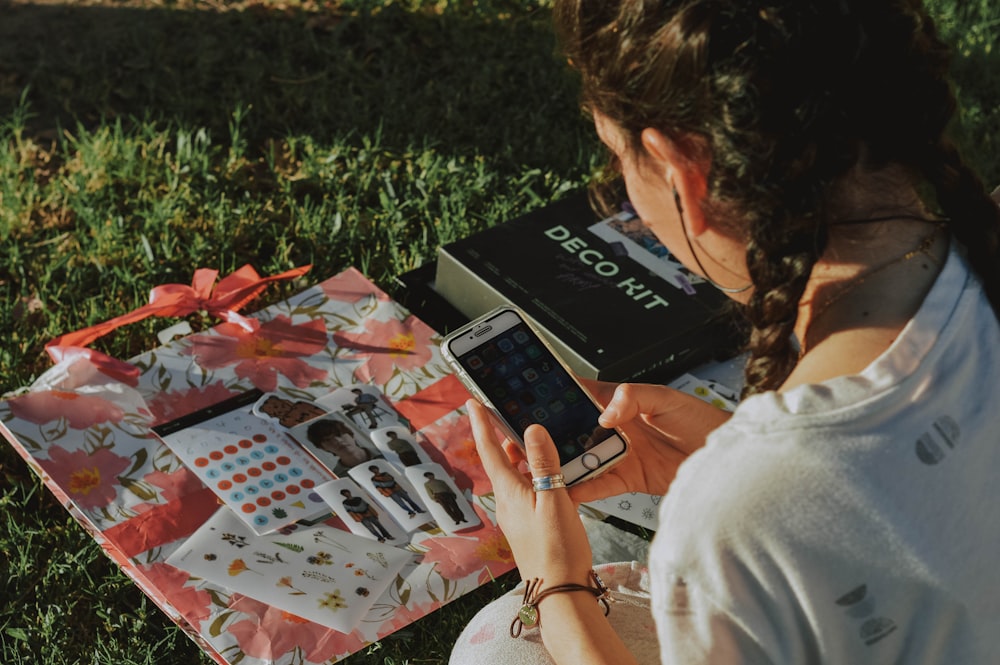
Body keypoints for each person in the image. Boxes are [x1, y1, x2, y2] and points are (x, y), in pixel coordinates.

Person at [452, 1, 1000, 664]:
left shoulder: (734, 519)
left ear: (687, 174)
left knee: (501, 647)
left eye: (616, 160)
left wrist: (554, 581)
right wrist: (721, 461)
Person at [305, 418, 373, 468]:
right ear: (323, 448)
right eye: (328, 440)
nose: (338, 441)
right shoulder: (337, 477)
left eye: (339, 435)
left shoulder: (382, 450)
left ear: (351, 435)